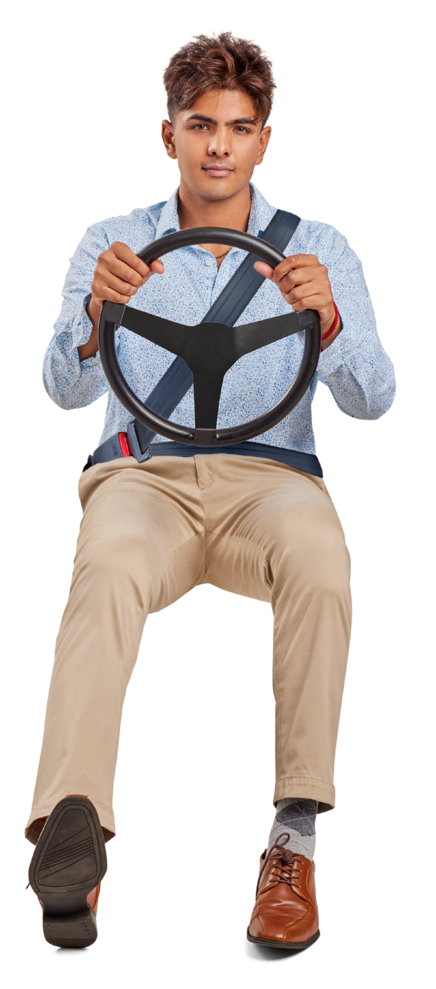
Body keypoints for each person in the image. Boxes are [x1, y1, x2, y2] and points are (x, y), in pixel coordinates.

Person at [26, 32, 395, 951]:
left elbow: (375, 398)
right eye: (201, 125)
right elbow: (60, 387)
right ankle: (72, 831)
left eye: (238, 127)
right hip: (144, 479)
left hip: (270, 483)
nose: (219, 145)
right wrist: (91, 316)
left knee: (320, 553)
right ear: (169, 134)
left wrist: (331, 319)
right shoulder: (112, 243)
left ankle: (293, 841)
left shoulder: (319, 247)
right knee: (105, 560)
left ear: (264, 138)